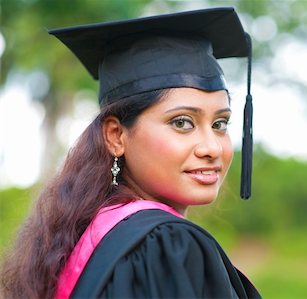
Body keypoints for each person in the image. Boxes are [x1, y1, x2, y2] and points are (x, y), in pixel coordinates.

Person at [0, 7, 260, 299]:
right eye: (182, 122)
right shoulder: (168, 245)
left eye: (219, 124)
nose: (212, 147)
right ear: (115, 136)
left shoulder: (88, 235)